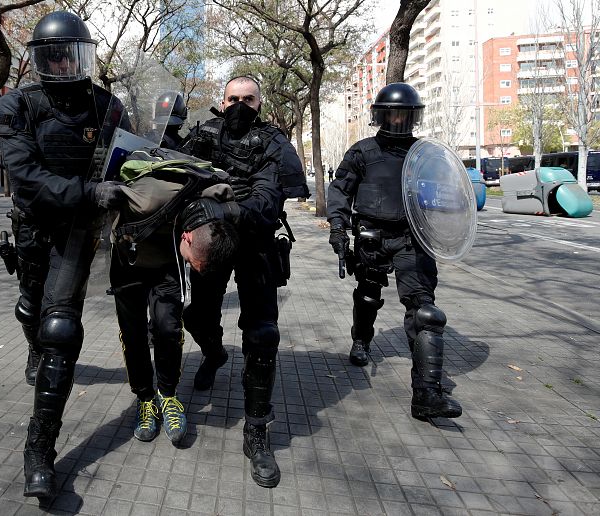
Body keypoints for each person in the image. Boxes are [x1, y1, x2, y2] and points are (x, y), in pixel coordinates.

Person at [0, 10, 130, 499]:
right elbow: (26, 178)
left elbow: (129, 160)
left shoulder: (107, 106)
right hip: (35, 228)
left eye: (72, 55)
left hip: (78, 233)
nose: (64, 64)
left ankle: (39, 450)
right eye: (54, 56)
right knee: (29, 307)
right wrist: (88, 192)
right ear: (41, 59)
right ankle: (34, 345)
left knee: (61, 330)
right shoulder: (17, 105)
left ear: (84, 56)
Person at [178, 76, 308, 488]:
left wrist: (231, 209)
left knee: (262, 334)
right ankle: (214, 354)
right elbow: (177, 176)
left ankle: (256, 430)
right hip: (211, 240)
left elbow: (269, 199)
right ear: (222, 101)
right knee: (198, 316)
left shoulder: (273, 141)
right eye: (232, 98)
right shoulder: (203, 134)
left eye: (247, 99)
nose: (239, 105)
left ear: (259, 103)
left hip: (256, 243)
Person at [326, 82, 462, 421]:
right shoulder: (362, 152)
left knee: (425, 311)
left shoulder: (426, 155)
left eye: (404, 114)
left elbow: (445, 195)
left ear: (414, 116)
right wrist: (338, 228)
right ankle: (361, 340)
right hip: (371, 235)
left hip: (411, 238)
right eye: (392, 114)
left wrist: (445, 226)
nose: (398, 120)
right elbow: (340, 191)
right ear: (381, 115)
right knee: (367, 295)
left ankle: (427, 393)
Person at [110, 158, 240, 445]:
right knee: (133, 335)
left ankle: (168, 396)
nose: (191, 267)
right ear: (188, 238)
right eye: (192, 262)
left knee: (168, 329)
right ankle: (145, 399)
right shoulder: (146, 199)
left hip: (166, 265)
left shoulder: (209, 206)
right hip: (127, 261)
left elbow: (226, 191)